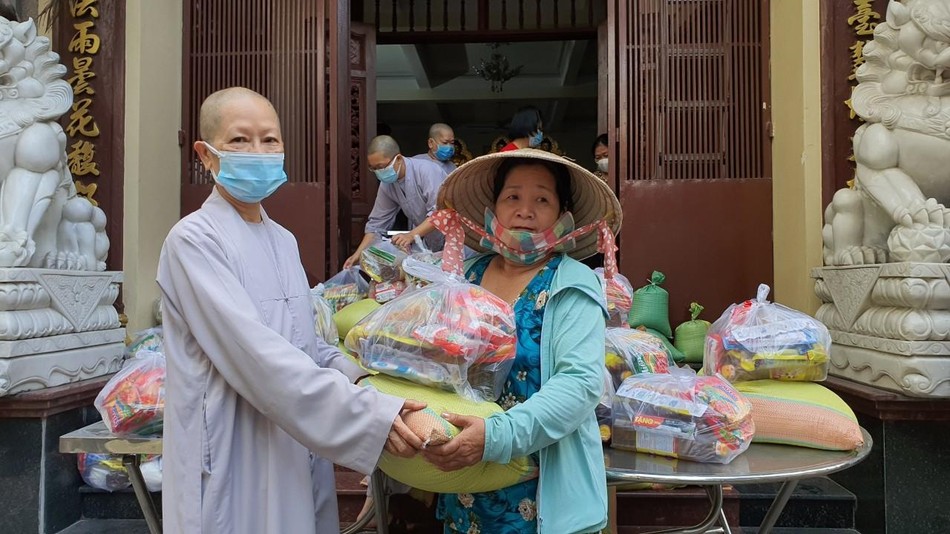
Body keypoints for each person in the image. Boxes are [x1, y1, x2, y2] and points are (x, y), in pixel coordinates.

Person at [157, 87, 425, 534]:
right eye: (240, 141)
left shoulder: (283, 240)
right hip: (232, 446)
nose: (258, 152)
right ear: (207, 155)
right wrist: (370, 415)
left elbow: (308, 344)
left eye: (270, 140)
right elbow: (259, 358)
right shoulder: (194, 241)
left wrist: (367, 382)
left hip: (296, 436)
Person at [426, 148, 623, 534]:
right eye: (512, 197)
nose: (526, 210)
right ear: (492, 210)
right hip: (463, 491)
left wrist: (494, 437)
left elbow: (579, 385)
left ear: (563, 219)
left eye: (542, 200)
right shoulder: (462, 278)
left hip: (541, 498)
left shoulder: (574, 285)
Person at [344, 135, 447, 266]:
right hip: (428, 244)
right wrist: (357, 255)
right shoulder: (387, 184)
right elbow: (376, 225)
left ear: (398, 159)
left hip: (454, 239)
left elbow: (440, 213)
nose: (378, 172)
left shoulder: (427, 170)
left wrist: (411, 235)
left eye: (381, 166)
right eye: (373, 168)